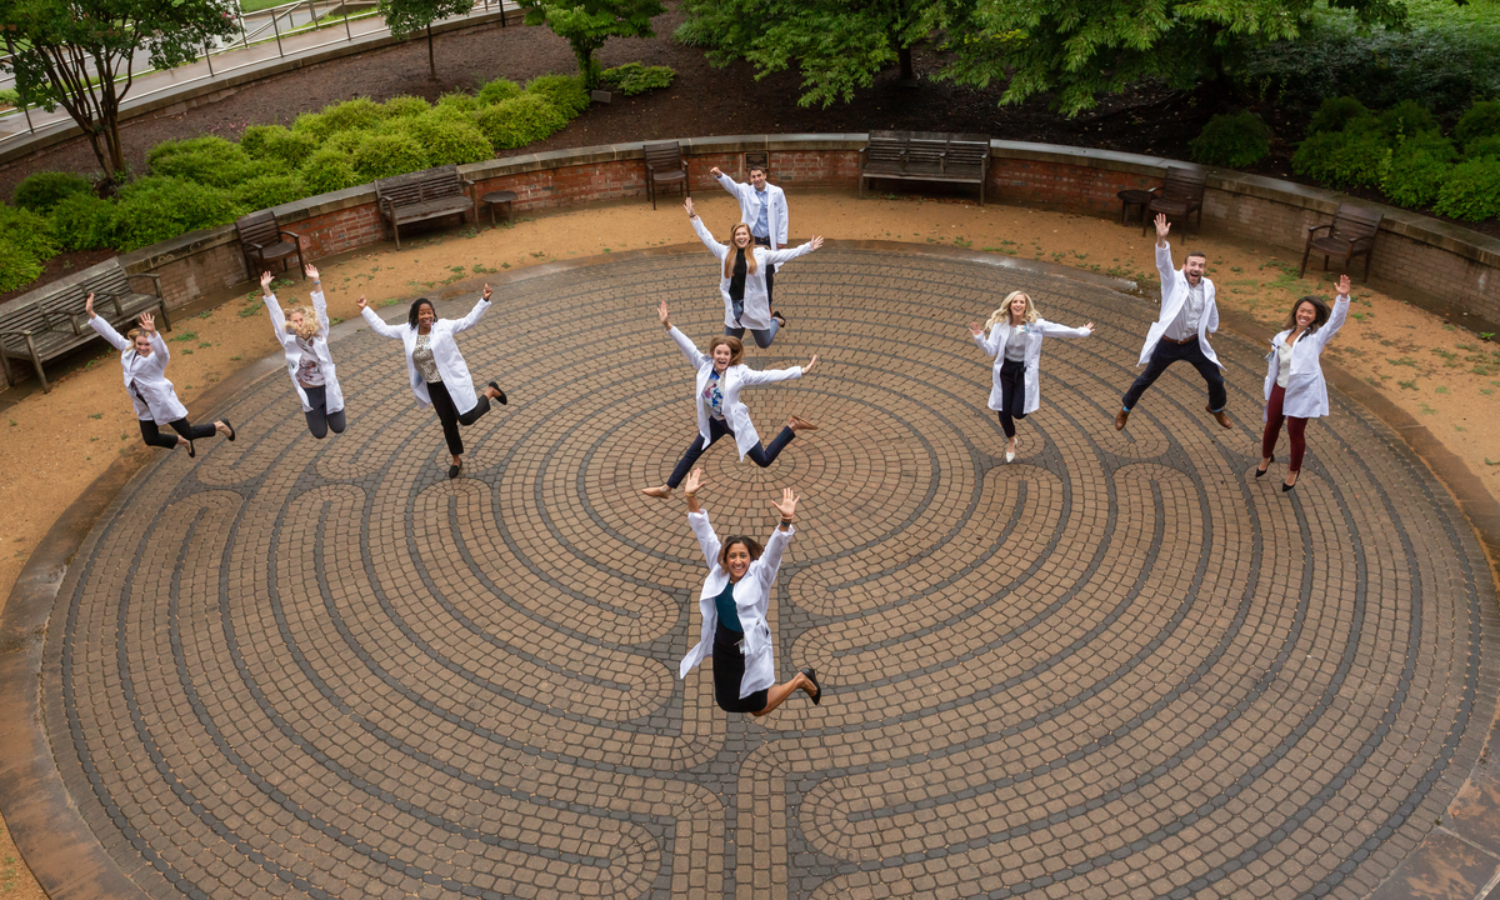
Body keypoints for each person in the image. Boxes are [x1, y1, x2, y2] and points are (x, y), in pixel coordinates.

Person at [677, 468, 821, 716]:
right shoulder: (718, 570)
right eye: (732, 556)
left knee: (757, 707)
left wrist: (785, 521)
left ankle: (800, 680)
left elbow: (775, 551)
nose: (737, 561)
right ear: (725, 558)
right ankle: (799, 680)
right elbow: (704, 533)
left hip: (750, 648)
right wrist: (690, 497)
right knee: (727, 702)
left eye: (743, 555)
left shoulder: (760, 575)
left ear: (750, 556)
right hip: (724, 647)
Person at [641, 301, 819, 499]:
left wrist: (799, 371)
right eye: (719, 353)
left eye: (726, 353)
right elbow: (687, 346)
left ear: (732, 356)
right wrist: (668, 325)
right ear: (713, 354)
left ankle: (792, 426)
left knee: (764, 460)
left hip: (735, 424)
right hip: (715, 422)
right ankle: (667, 489)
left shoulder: (740, 373)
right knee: (692, 452)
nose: (722, 356)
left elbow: (767, 375)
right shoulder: (704, 365)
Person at [358, 287, 507, 479]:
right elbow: (384, 329)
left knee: (466, 418)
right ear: (415, 316)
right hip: (434, 386)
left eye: (429, 312)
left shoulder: (443, 326)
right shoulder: (407, 331)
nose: (426, 316)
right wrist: (365, 309)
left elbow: (468, 321)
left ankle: (490, 391)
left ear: (433, 314)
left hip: (452, 381)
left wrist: (483, 300)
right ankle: (456, 460)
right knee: (447, 423)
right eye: (422, 313)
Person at [1116, 213, 1232, 432]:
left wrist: (1212, 327)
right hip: (1168, 344)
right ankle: (1125, 409)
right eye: (1193, 264)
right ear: (1184, 266)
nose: (1197, 269)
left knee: (1216, 379)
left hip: (1192, 343)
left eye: (1201, 266)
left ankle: (1216, 408)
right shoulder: (1172, 281)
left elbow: (1212, 305)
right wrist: (1161, 240)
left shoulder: (1208, 285)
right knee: (1145, 379)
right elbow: (1163, 263)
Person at [85, 295, 235, 456]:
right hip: (144, 405)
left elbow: (163, 352)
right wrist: (92, 314)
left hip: (161, 402)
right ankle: (182, 441)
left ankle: (219, 425)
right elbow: (110, 334)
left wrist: (154, 333)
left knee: (189, 432)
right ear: (134, 343)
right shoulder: (128, 351)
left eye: (147, 344)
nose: (143, 347)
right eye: (140, 344)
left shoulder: (156, 360)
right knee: (151, 439)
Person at [969, 291, 1094, 462]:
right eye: (1015, 302)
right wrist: (979, 339)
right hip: (1005, 371)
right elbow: (991, 350)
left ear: (1026, 305)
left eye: (1021, 302)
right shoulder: (1001, 325)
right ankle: (1012, 441)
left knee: (1018, 413)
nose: (1018, 305)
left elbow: (1058, 329)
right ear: (1010, 305)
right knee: (1003, 412)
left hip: (1023, 372)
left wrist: (1081, 332)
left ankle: (1012, 416)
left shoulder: (1034, 325)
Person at [685, 196, 823, 349]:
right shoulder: (725, 253)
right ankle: (730, 372)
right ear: (733, 238)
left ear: (749, 237)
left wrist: (808, 247)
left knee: (764, 343)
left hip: (755, 308)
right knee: (729, 347)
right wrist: (693, 217)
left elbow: (785, 254)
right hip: (735, 310)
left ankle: (776, 320)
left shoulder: (761, 254)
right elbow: (707, 238)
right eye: (738, 234)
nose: (741, 237)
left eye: (744, 234)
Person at [1258, 274, 1352, 492]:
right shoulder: (1281, 336)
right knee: (1271, 424)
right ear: (1296, 312)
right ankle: (1265, 458)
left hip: (1302, 393)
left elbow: (1336, 321)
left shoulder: (1317, 337)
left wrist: (1343, 298)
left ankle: (1293, 471)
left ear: (1315, 316)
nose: (1304, 315)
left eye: (1309, 312)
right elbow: (1274, 363)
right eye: (1301, 310)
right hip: (1279, 388)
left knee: (1294, 432)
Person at [261, 265, 346, 439]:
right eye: (295, 320)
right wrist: (266, 289)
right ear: (290, 323)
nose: (299, 322)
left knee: (339, 427)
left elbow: (321, 310)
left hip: (327, 387)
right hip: (309, 392)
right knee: (319, 433)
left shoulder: (320, 334)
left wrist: (316, 281)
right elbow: (276, 315)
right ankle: (316, 413)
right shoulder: (288, 341)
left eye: (302, 319)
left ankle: (331, 411)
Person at [710, 163, 788, 310]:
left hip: (769, 240)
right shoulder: (745, 191)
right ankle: (746, 303)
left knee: (767, 274)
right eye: (753, 177)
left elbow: (783, 215)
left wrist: (781, 239)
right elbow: (731, 185)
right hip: (751, 241)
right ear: (750, 178)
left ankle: (767, 305)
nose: (756, 179)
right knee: (746, 271)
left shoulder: (777, 192)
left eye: (759, 175)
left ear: (765, 175)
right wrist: (719, 175)